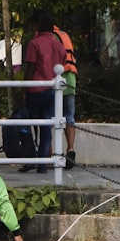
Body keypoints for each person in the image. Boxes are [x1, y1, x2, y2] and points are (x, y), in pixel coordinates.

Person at [21, 12, 66, 173]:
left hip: (35, 90)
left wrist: (24, 88)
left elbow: (30, 68)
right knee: (47, 128)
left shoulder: (35, 44)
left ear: (38, 26)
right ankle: (42, 165)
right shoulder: (58, 45)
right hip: (52, 91)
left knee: (30, 125)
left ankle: (33, 158)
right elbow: (63, 62)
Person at [53, 21, 78, 169]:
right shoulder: (64, 35)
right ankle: (70, 148)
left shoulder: (49, 37)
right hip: (70, 80)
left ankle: (51, 154)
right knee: (69, 116)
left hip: (56, 80)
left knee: (50, 116)